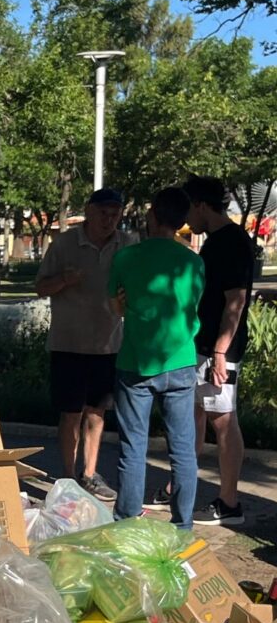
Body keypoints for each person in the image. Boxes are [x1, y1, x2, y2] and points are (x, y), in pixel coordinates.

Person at [108, 187, 205, 528]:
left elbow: (115, 308)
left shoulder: (126, 258)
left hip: (136, 362)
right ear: (181, 222)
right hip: (181, 361)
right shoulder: (193, 262)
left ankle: (127, 520)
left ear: (151, 215)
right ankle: (183, 524)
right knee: (182, 450)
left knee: (133, 448)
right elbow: (192, 308)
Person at [34, 187, 137, 500]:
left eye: (115, 214)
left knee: (97, 412)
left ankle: (90, 473)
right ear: (89, 211)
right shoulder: (64, 244)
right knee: (70, 414)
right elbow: (40, 287)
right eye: (103, 213)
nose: (109, 220)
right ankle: (67, 478)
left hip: (108, 345)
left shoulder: (128, 245)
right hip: (69, 344)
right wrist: (64, 280)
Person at [184, 175, 254, 526]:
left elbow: (236, 301)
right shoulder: (216, 242)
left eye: (189, 208)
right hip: (206, 346)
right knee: (199, 414)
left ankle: (229, 503)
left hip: (218, 351)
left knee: (223, 420)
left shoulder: (233, 242)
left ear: (201, 205)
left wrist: (221, 353)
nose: (186, 218)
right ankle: (181, 486)